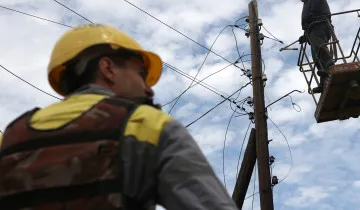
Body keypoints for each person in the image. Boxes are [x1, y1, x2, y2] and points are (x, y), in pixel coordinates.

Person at [0, 24, 238, 210]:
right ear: (108, 69)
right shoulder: (147, 125)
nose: (149, 89)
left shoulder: (11, 138)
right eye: (141, 74)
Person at [298, 0, 335, 93]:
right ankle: (323, 82)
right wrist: (305, 36)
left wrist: (312, 14)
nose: (302, 0)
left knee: (320, 47)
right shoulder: (308, 1)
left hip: (319, 25)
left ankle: (330, 67)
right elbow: (307, 23)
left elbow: (319, 2)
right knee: (316, 56)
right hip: (312, 29)